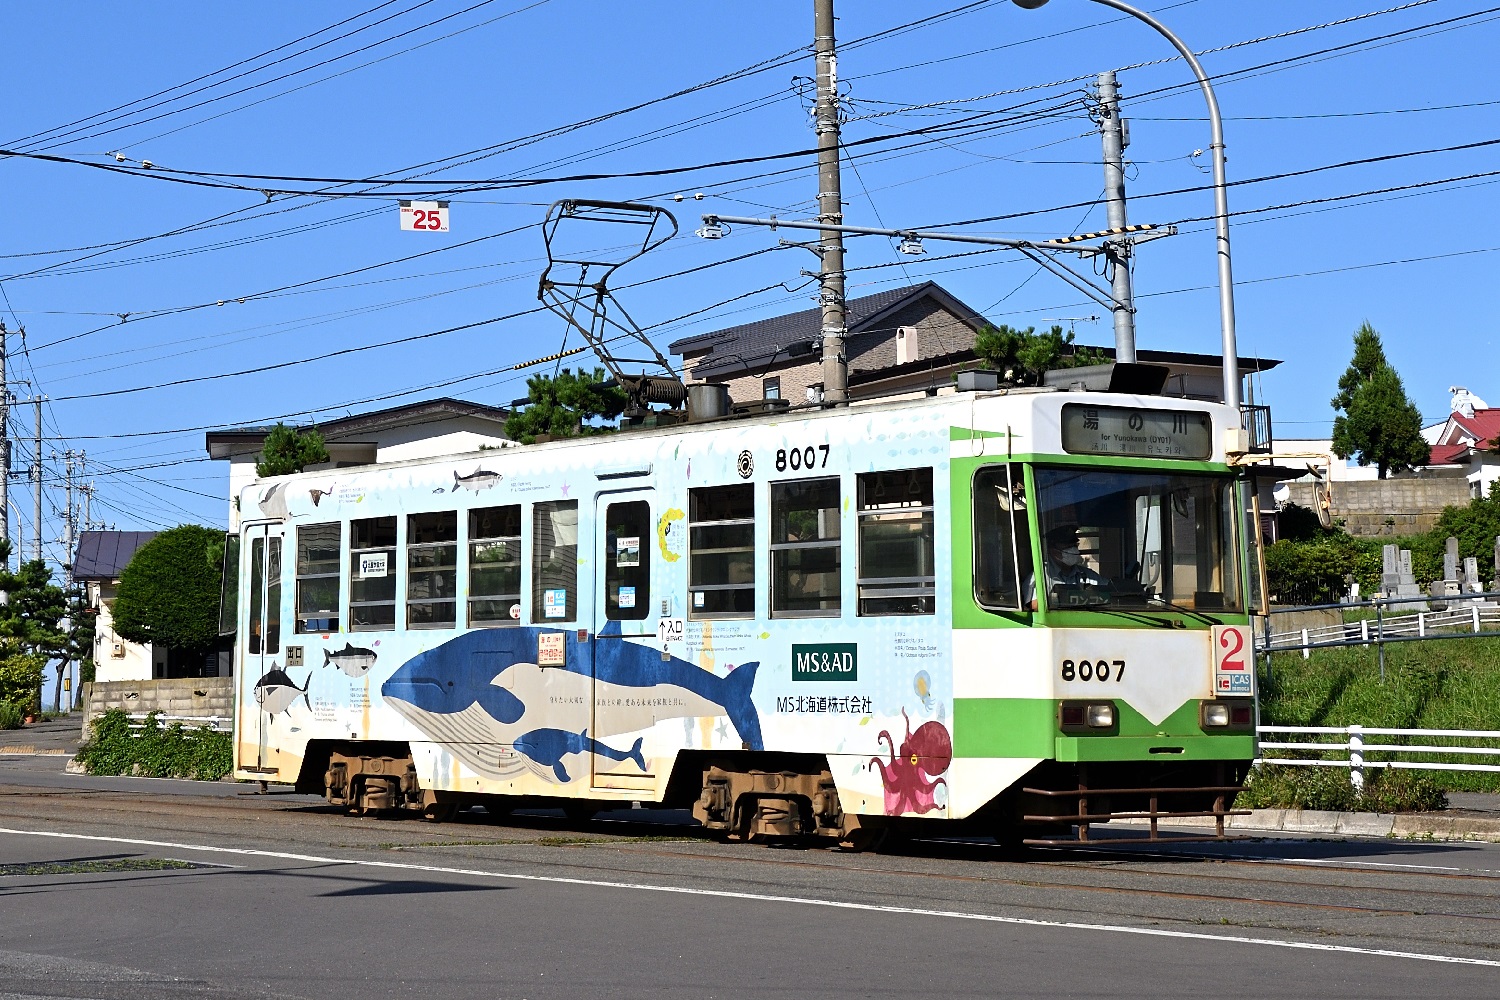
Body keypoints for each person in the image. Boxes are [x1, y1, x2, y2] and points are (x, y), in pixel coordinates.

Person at [1025, 523, 1105, 610]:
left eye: (1074, 546)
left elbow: (1109, 591)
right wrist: (1057, 599)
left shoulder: (1086, 574)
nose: (1074, 550)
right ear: (1053, 551)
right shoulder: (1040, 576)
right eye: (1068, 547)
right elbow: (1033, 605)